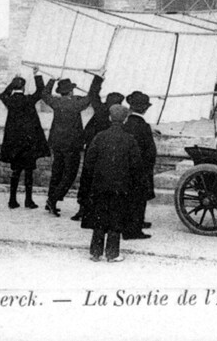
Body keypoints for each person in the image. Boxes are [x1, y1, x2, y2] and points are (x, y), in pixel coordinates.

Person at [79, 104, 142, 263]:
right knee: (116, 218)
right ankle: (112, 254)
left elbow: (89, 162)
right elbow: (136, 166)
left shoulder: (100, 137)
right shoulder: (130, 139)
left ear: (109, 118)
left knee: (99, 217)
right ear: (125, 119)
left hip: (99, 184)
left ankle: (95, 253)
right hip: (121, 186)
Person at [41, 74, 103, 217]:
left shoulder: (56, 102)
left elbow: (44, 94)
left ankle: (50, 201)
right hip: (72, 145)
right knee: (69, 175)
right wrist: (98, 78)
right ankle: (53, 200)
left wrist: (51, 80)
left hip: (57, 143)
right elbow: (92, 95)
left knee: (57, 173)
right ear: (71, 91)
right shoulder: (76, 104)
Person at [0, 71, 51, 210]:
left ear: (13, 87)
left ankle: (12, 200)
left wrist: (14, 81)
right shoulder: (28, 100)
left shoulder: (9, 101)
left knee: (15, 173)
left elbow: (3, 94)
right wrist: (36, 74)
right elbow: (40, 90)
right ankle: (29, 201)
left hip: (15, 145)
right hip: (29, 145)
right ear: (23, 88)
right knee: (29, 173)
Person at [73, 89, 125, 221]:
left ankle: (83, 210)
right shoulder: (117, 118)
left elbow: (94, 95)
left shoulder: (100, 110)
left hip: (92, 152)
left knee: (87, 180)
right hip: (108, 155)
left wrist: (99, 78)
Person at [121, 91, 156, 240]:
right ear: (145, 109)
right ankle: (134, 230)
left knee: (128, 199)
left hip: (126, 168)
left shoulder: (126, 124)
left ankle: (134, 223)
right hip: (141, 169)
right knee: (139, 200)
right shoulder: (144, 126)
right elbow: (150, 152)